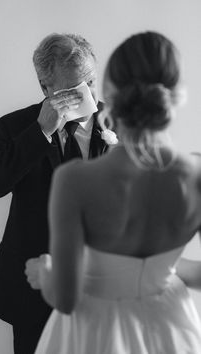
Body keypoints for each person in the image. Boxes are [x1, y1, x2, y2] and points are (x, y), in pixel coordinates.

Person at [26, 31, 201, 353]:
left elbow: (65, 299)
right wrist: (158, 272)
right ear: (177, 93)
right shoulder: (197, 175)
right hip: (172, 329)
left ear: (109, 92)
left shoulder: (74, 180)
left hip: (94, 331)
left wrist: (46, 274)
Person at [0, 33, 108, 354]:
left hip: (104, 286)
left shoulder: (123, 123)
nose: (87, 95)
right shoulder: (15, 127)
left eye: (89, 82)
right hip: (34, 291)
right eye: (72, 90)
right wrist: (41, 132)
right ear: (46, 88)